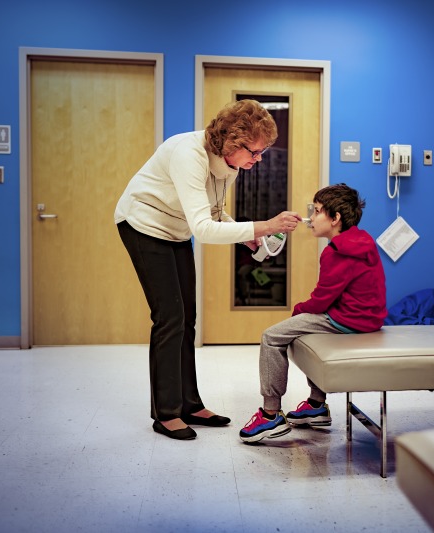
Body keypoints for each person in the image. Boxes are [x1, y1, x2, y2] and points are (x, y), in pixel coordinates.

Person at [115, 99, 302, 441]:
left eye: (261, 153)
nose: (257, 160)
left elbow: (213, 213)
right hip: (142, 223)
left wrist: (245, 236)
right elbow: (203, 229)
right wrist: (262, 226)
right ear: (232, 141)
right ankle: (166, 413)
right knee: (169, 316)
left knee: (188, 317)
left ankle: (189, 403)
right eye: (255, 152)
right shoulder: (189, 154)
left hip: (176, 228)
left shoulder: (229, 164)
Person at [239, 183, 387, 443]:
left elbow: (320, 301)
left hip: (349, 320)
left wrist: (298, 312)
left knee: (272, 337)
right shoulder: (361, 241)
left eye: (317, 211)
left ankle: (270, 414)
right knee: (307, 332)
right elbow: (333, 295)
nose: (311, 217)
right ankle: (316, 405)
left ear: (335, 218)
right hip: (367, 318)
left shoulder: (337, 252)